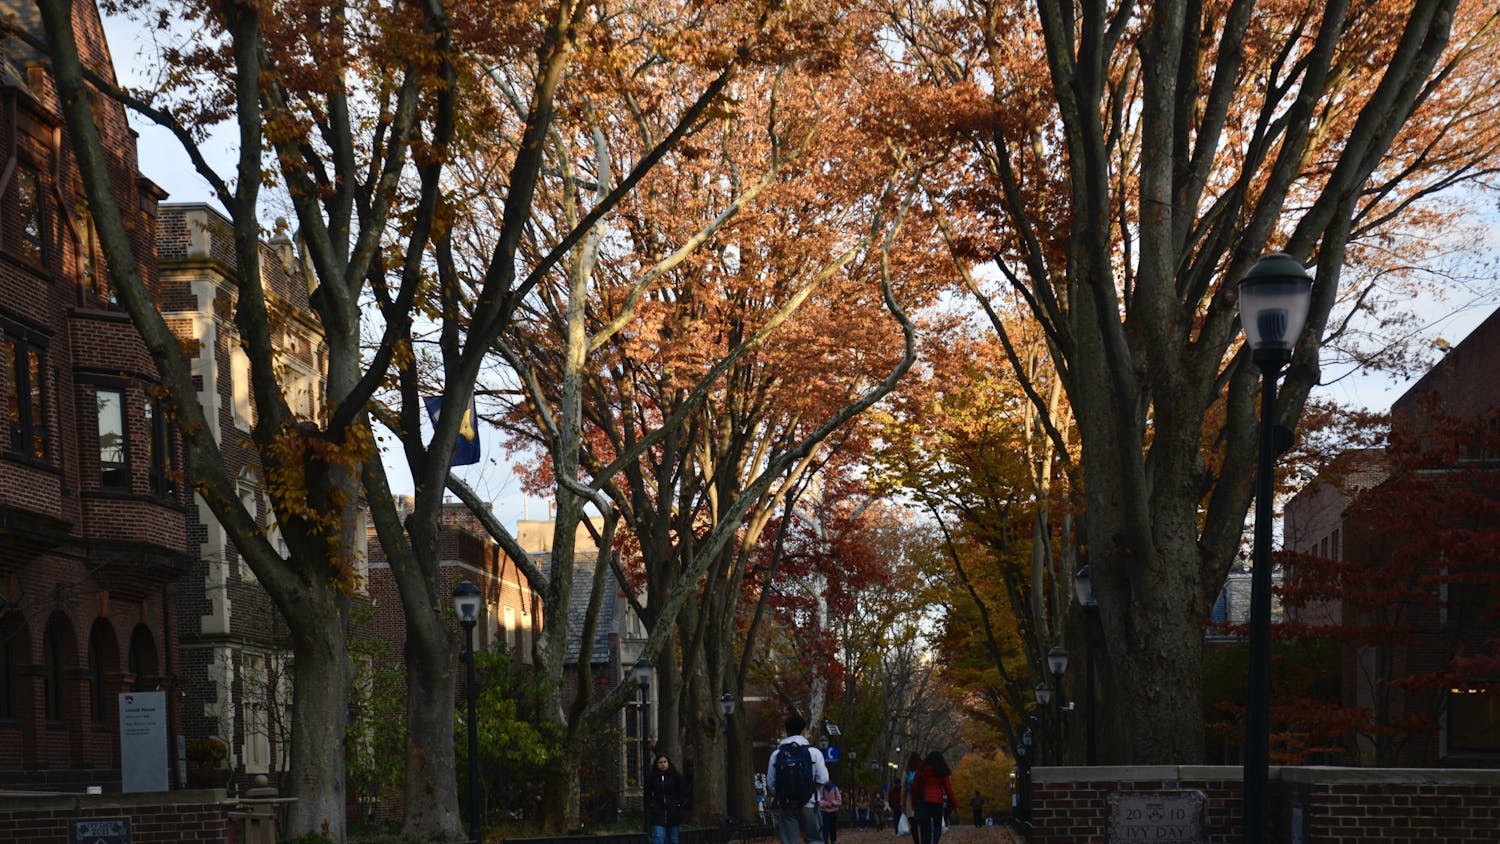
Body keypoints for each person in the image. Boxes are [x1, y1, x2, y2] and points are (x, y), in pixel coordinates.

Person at [767, 714, 830, 844]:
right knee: (815, 839)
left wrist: (783, 794)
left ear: (786, 731)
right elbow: (824, 778)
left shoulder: (777, 754)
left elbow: (771, 783)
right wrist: (812, 790)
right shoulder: (814, 752)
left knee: (789, 841)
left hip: (787, 805)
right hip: (810, 804)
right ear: (804, 730)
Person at [910, 752, 957, 844]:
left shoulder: (922, 770)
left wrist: (914, 802)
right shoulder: (942, 770)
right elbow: (948, 789)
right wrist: (954, 803)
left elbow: (915, 787)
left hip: (924, 800)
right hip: (937, 801)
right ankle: (935, 842)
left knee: (926, 826)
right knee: (937, 825)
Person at [644, 753, 689, 844]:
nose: (663, 764)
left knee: (673, 838)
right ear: (656, 764)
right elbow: (647, 793)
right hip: (658, 812)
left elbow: (683, 792)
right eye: (660, 762)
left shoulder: (676, 776)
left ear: (668, 763)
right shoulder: (652, 777)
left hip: (673, 812)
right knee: (659, 836)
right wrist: (651, 805)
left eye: (665, 762)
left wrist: (678, 804)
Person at [902, 753, 922, 844]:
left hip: (910, 799)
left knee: (913, 824)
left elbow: (904, 788)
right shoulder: (922, 771)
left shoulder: (907, 772)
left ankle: (917, 842)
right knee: (922, 823)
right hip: (921, 799)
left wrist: (902, 802)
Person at [817, 778, 843, 844]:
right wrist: (826, 804)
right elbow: (819, 800)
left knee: (833, 827)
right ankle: (825, 840)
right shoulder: (822, 789)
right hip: (825, 811)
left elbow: (839, 800)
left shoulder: (835, 788)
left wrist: (833, 803)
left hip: (833, 811)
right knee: (825, 826)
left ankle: (833, 840)